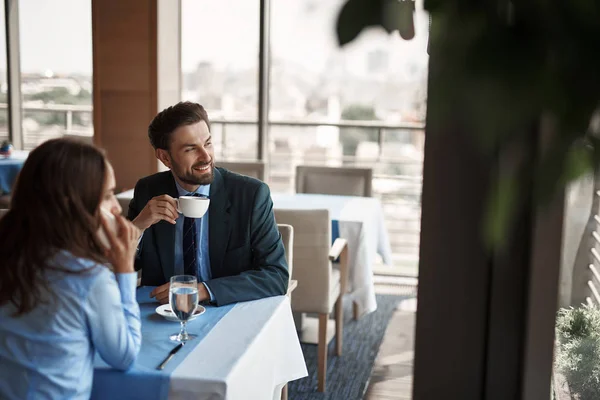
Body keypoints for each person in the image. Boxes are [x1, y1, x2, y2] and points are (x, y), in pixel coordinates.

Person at [0, 138, 142, 400]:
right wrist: (124, 270)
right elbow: (124, 355)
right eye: (109, 195)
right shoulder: (86, 276)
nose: (115, 207)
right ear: (72, 204)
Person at [128, 101, 288, 306]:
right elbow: (121, 266)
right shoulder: (148, 191)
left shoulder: (251, 195)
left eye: (208, 143)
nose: (206, 156)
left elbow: (276, 275)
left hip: (228, 310)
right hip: (163, 313)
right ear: (165, 157)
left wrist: (203, 290)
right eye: (191, 149)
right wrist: (138, 226)